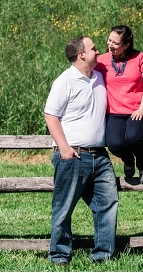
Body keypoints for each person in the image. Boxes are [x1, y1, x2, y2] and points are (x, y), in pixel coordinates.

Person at [44, 36, 118, 265]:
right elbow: (51, 115)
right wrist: (64, 148)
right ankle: (59, 256)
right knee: (63, 208)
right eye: (94, 48)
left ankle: (103, 256)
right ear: (81, 55)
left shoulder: (98, 77)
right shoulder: (65, 81)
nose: (99, 51)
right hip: (73, 155)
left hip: (100, 155)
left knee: (108, 204)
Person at [96, 25, 143, 185]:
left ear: (126, 45)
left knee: (134, 138)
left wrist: (142, 107)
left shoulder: (140, 57)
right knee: (114, 144)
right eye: (109, 40)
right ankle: (128, 160)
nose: (110, 45)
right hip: (115, 113)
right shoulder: (101, 61)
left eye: (115, 43)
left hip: (138, 110)